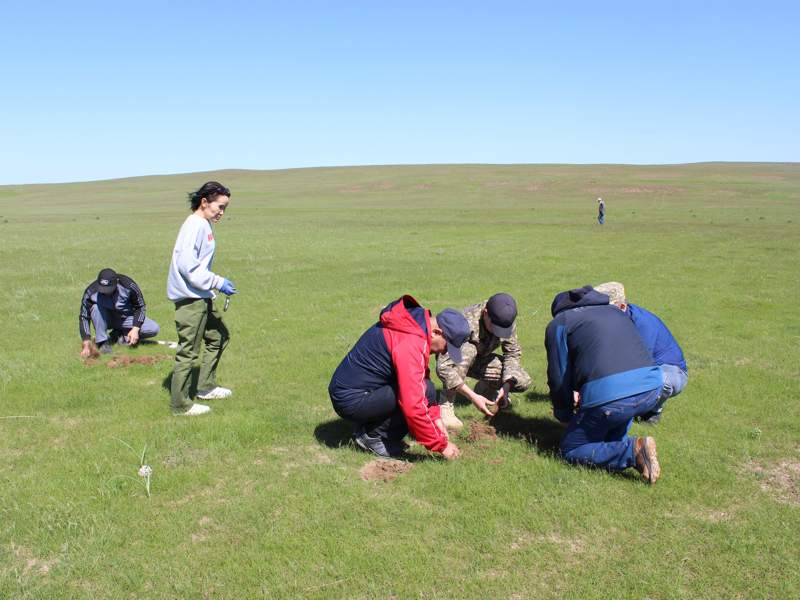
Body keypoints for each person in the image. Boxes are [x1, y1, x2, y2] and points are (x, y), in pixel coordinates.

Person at [544, 286, 664, 484]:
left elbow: (558, 375)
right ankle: (619, 444)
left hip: (611, 397)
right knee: (607, 433)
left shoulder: (560, 323)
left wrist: (564, 415)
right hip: (651, 388)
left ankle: (633, 450)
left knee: (571, 448)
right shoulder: (616, 312)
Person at [329, 295, 470, 460]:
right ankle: (373, 436)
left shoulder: (416, 325)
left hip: (361, 391)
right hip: (350, 399)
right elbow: (413, 404)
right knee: (416, 395)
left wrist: (436, 419)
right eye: (447, 346)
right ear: (436, 332)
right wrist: (441, 445)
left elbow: (421, 381)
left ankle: (375, 429)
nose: (444, 352)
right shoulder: (411, 341)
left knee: (427, 388)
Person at [167, 181, 237, 416]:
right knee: (188, 351)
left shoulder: (203, 224)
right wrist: (218, 282)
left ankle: (205, 387)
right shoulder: (194, 225)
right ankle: (180, 405)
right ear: (204, 202)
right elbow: (188, 266)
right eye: (220, 206)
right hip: (190, 299)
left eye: (225, 208)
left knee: (219, 336)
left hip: (201, 295)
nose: (222, 212)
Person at [435, 292, 532, 431]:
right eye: (494, 327)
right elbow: (443, 366)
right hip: (455, 360)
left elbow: (512, 353)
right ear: (485, 312)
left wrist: (506, 386)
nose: (498, 333)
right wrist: (473, 397)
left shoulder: (505, 320)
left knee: (521, 380)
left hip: (480, 361)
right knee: (469, 350)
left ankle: (487, 390)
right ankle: (446, 405)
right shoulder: (466, 321)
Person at [594, 282, 688, 424]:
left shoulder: (643, 323)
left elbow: (641, 365)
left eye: (606, 309)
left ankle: (652, 410)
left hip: (668, 370)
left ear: (622, 306)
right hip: (639, 366)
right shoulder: (610, 320)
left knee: (662, 381)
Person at [79, 268, 160, 356]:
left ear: (116, 283)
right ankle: (102, 343)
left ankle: (119, 335)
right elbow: (84, 317)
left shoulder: (129, 285)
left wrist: (135, 329)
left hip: (125, 318)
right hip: (105, 319)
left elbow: (140, 307)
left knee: (153, 328)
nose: (106, 293)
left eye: (108, 290)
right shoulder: (90, 291)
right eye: (102, 289)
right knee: (95, 308)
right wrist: (86, 342)